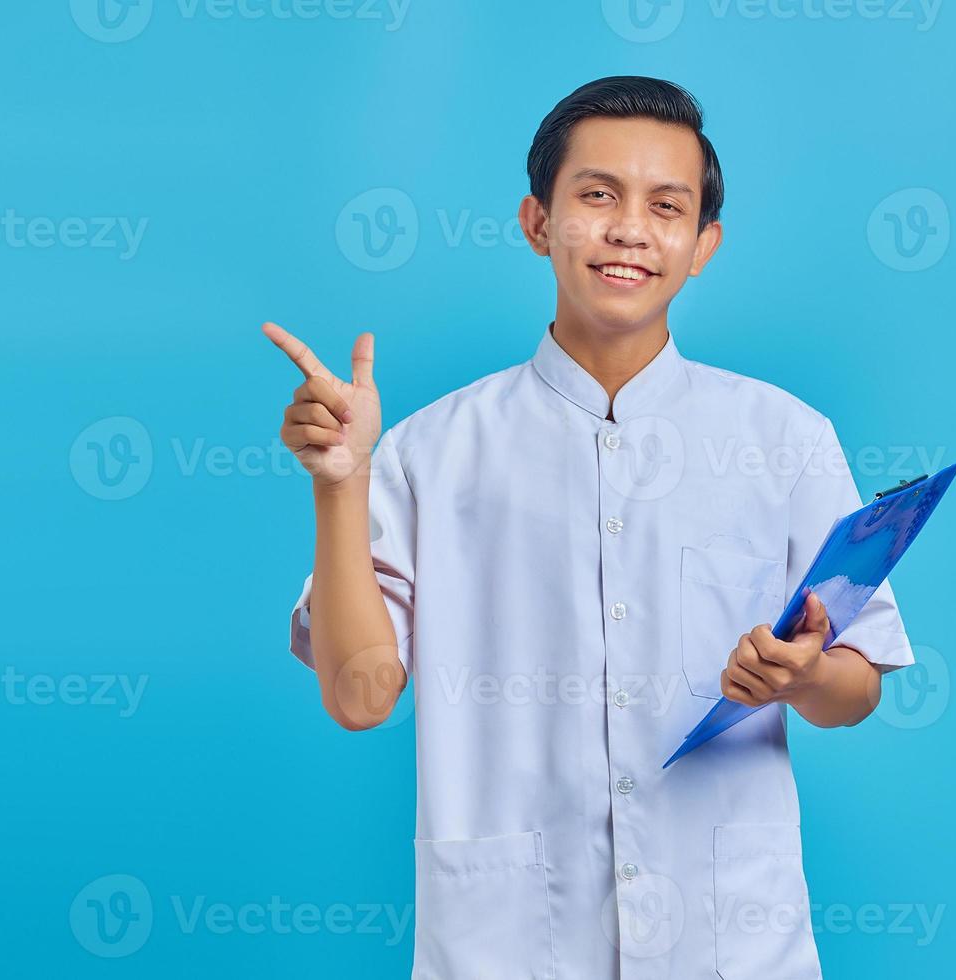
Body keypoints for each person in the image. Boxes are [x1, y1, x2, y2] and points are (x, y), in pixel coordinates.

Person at [263, 75, 913, 980]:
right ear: (539, 222)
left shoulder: (786, 439)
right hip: (509, 948)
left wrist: (804, 677)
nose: (629, 230)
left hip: (731, 946)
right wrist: (342, 485)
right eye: (597, 195)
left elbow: (858, 691)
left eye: (667, 206)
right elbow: (360, 696)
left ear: (703, 246)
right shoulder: (430, 452)